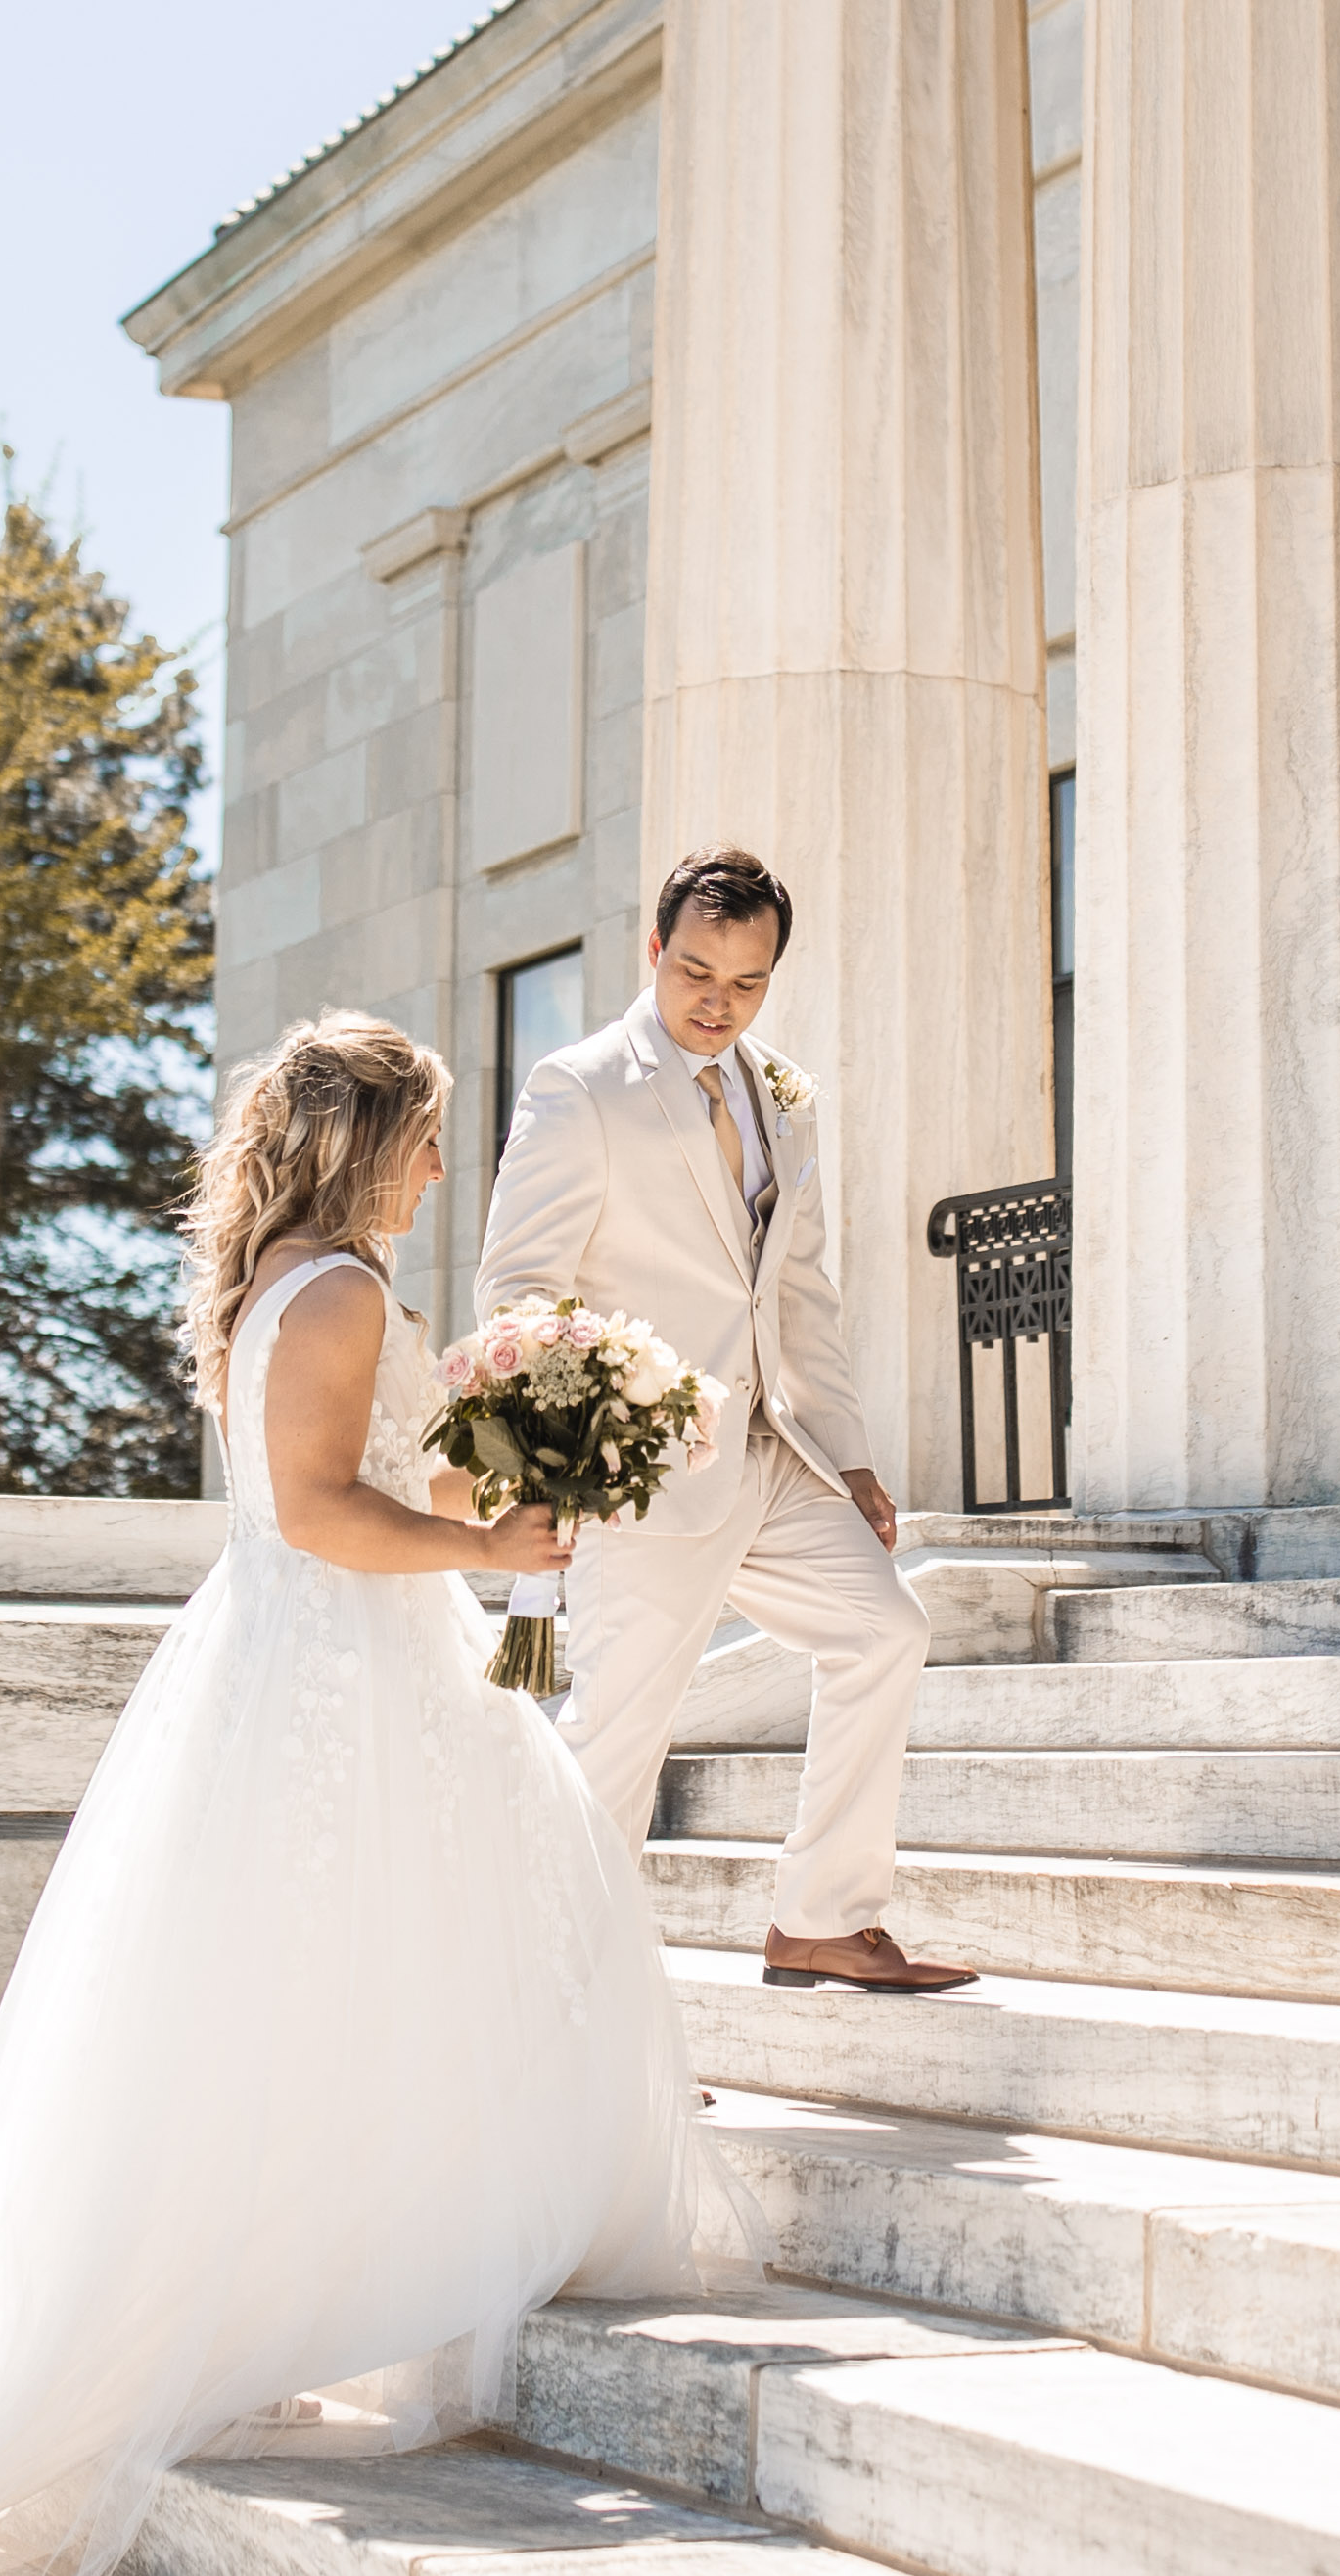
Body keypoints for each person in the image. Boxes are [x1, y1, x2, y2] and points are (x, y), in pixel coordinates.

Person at [0, 1012, 750, 2576]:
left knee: (330, 1971)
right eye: (428, 1132)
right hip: (339, 1670)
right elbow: (316, 1509)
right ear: (373, 1141)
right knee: (362, 1958)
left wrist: (514, 1477)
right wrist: (490, 1553)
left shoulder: (282, 1280)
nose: (441, 1162)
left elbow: (381, 1468)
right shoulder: (343, 1287)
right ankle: (298, 2291)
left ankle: (329, 2273)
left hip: (315, 1660)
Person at [471, 848, 973, 1995]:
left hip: (772, 1455)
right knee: (613, 1744)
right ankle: (562, 2012)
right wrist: (578, 1449)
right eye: (695, 971)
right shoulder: (579, 1086)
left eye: (744, 983)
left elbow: (798, 1292)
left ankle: (822, 1917)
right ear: (654, 952)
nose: (715, 1002)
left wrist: (847, 1455)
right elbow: (517, 1291)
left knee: (883, 1631)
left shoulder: (785, 1095)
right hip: (641, 1474)